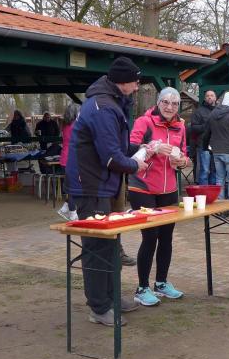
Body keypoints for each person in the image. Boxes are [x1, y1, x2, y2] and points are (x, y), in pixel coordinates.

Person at [65, 56, 148, 327]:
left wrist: (143, 148)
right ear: (123, 81)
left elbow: (118, 146)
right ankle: (99, 307)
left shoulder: (112, 103)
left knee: (111, 244)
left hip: (104, 185)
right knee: (96, 247)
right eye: (135, 81)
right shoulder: (102, 107)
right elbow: (111, 156)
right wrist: (136, 164)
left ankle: (111, 297)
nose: (137, 87)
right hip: (90, 187)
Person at [127, 86, 191, 306]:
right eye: (165, 102)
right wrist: (153, 147)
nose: (169, 107)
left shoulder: (180, 126)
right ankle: (142, 288)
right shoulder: (144, 122)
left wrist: (182, 161)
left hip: (169, 189)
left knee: (166, 237)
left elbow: (185, 154)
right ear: (158, 102)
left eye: (174, 104)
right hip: (143, 188)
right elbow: (130, 151)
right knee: (150, 237)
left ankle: (161, 283)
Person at [57, 103, 81, 221]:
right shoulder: (75, 126)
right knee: (74, 188)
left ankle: (65, 208)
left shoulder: (66, 125)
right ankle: (72, 213)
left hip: (65, 159)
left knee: (72, 186)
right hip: (72, 160)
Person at [190, 90, 217, 185]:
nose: (209, 97)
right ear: (205, 98)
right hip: (204, 145)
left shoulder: (219, 111)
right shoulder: (199, 111)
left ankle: (213, 192)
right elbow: (193, 128)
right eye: (207, 96)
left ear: (215, 98)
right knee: (205, 171)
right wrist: (206, 126)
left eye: (212, 95)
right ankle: (203, 193)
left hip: (217, 145)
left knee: (215, 171)